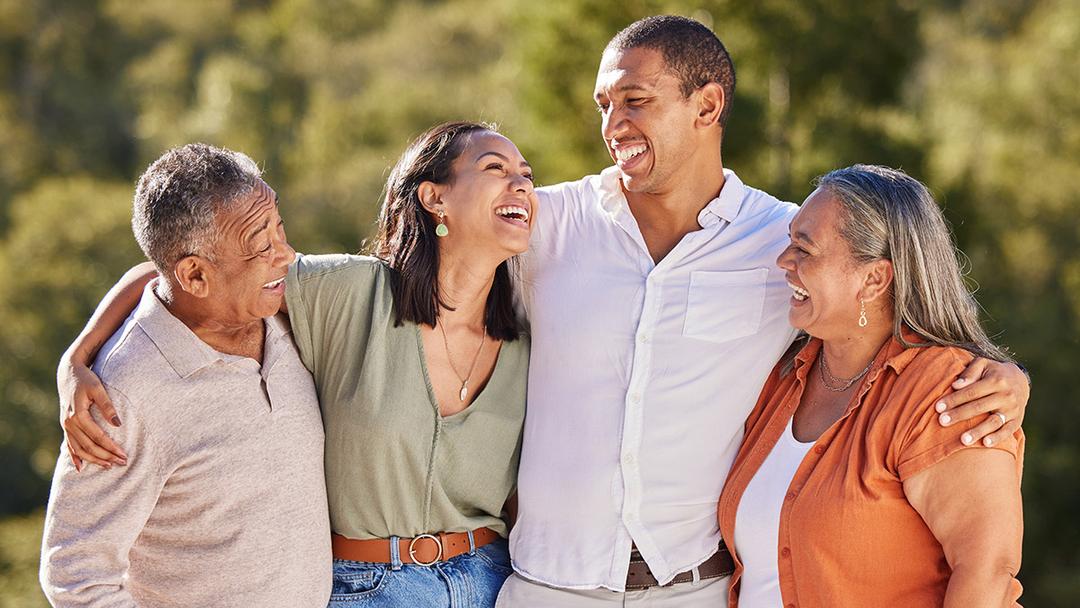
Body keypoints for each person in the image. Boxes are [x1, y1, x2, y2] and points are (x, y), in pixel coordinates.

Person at [494, 15, 1030, 607]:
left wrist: (1003, 377)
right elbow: (433, 291)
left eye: (636, 101)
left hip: (698, 593)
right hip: (545, 588)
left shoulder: (784, 239)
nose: (613, 124)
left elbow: (888, 313)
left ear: (707, 106)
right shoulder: (542, 227)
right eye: (604, 104)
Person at [54, 122, 535, 607]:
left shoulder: (527, 330)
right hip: (370, 588)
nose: (521, 183)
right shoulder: (348, 296)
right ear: (434, 199)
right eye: (495, 168)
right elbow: (171, 278)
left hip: (493, 582)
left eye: (526, 173)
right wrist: (78, 358)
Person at [39, 143, 332, 607]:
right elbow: (76, 575)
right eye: (262, 243)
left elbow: (150, 274)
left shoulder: (284, 309)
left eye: (280, 228)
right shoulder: (122, 397)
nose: (288, 255)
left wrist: (74, 353)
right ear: (195, 277)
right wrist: (81, 362)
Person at [717, 165, 1024, 607]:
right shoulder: (782, 376)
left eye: (805, 249)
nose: (784, 261)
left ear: (874, 279)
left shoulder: (947, 393)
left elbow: (986, 571)